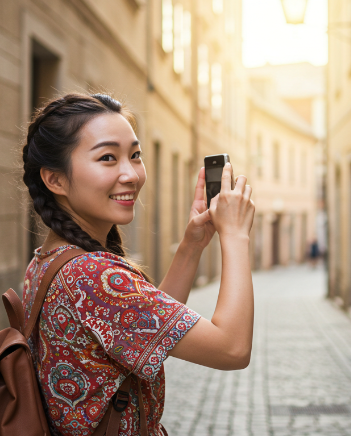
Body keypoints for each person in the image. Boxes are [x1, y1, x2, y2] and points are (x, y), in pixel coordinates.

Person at [21, 93, 255, 435]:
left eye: (135, 155)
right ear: (55, 180)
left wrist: (192, 244)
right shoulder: (89, 274)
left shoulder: (50, 259)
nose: (131, 174)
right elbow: (232, 349)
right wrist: (236, 236)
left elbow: (148, 329)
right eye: (107, 158)